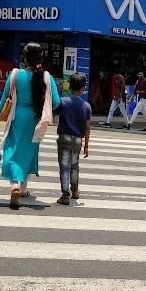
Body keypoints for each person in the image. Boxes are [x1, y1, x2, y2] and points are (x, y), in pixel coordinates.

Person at [0, 42, 60, 209]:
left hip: (17, 116)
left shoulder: (15, 75)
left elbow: (4, 99)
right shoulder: (46, 77)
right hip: (35, 119)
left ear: (24, 58)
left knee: (11, 149)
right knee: (30, 151)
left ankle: (14, 185)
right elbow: (56, 103)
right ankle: (23, 189)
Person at [56, 73, 91, 206]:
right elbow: (87, 128)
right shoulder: (86, 106)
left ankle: (65, 195)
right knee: (74, 165)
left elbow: (53, 113)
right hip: (78, 139)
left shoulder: (63, 101)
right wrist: (86, 145)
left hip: (64, 137)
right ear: (83, 89)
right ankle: (75, 190)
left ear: (69, 86)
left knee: (64, 167)